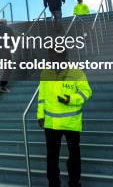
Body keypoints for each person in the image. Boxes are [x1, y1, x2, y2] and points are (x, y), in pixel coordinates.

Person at [37, 50, 92, 187]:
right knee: (52, 157)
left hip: (70, 122)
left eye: (55, 55)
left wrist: (70, 99)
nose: (51, 58)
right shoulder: (45, 73)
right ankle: (53, 183)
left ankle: (74, 182)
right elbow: (42, 96)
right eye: (50, 55)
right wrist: (40, 115)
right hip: (51, 123)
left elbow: (86, 92)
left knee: (73, 155)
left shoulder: (77, 72)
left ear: (64, 56)